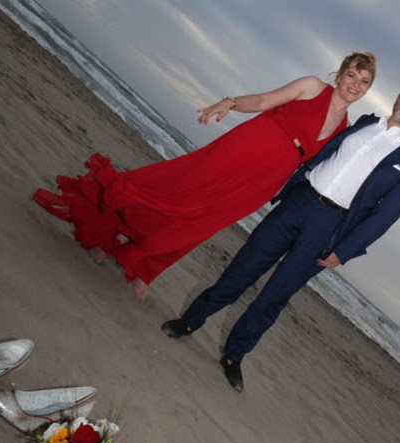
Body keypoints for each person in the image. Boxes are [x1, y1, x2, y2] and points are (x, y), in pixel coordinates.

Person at [162, 81, 400, 392]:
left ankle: (233, 355)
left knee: (275, 296)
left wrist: (344, 251)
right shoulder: (365, 122)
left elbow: (386, 215)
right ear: (399, 97)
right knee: (243, 267)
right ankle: (190, 321)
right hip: (299, 202)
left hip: (330, 228)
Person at [33, 52, 376, 299]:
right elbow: (264, 100)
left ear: (366, 89)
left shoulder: (346, 127)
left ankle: (142, 265)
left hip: (265, 180)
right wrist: (229, 103)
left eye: (364, 82)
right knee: (182, 189)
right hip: (245, 148)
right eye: (352, 75)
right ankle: (114, 234)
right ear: (339, 74)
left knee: (207, 220)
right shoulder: (313, 86)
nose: (355, 85)